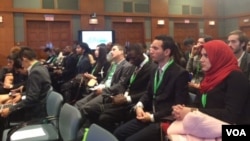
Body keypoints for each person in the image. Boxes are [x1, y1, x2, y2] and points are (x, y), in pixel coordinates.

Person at [169, 40, 250, 140]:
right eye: (201, 55)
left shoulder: (236, 78)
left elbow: (230, 115)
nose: (201, 60)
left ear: (219, 57)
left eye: (206, 56)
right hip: (211, 126)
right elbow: (198, 105)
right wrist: (181, 110)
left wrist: (193, 111)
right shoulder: (208, 78)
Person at [113, 35, 190, 141]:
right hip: (149, 114)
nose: (150, 51)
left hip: (164, 119)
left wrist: (152, 117)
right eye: (151, 47)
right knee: (119, 133)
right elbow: (148, 93)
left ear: (167, 52)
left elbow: (178, 105)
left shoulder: (180, 73)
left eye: (155, 48)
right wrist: (139, 106)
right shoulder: (154, 69)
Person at [97, 43, 157, 132]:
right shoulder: (134, 65)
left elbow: (148, 92)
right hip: (125, 99)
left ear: (141, 54)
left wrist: (127, 98)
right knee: (99, 111)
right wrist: (119, 96)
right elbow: (125, 84)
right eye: (129, 59)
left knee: (104, 118)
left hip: (137, 103)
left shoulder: (152, 68)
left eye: (133, 58)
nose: (131, 61)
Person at [74, 44, 134, 128]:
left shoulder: (127, 66)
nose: (111, 52)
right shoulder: (113, 65)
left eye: (114, 49)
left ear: (121, 52)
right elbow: (105, 79)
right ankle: (75, 125)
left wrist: (104, 90)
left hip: (109, 93)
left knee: (86, 108)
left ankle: (81, 130)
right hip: (102, 89)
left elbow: (120, 85)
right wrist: (99, 86)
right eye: (111, 50)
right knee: (78, 103)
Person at [0, 47, 52, 120]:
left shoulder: (35, 72)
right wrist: (21, 95)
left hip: (36, 111)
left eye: (21, 62)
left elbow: (32, 98)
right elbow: (35, 93)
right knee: (7, 106)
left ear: (24, 59)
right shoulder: (40, 67)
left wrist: (11, 109)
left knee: (3, 113)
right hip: (37, 106)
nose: (22, 65)